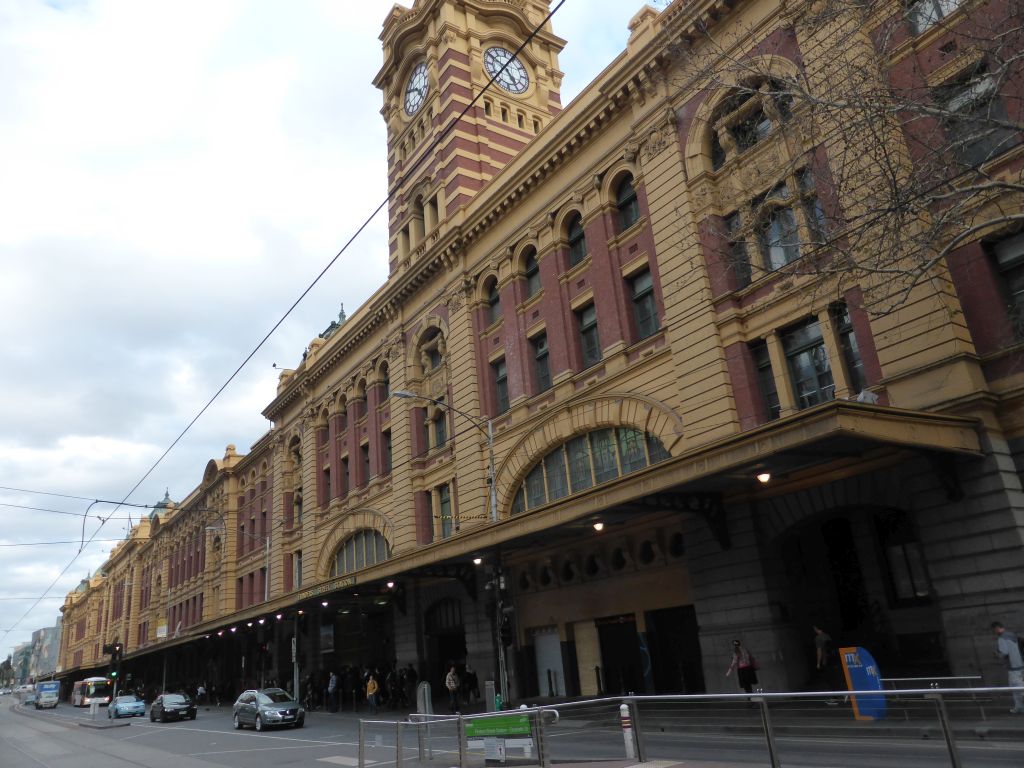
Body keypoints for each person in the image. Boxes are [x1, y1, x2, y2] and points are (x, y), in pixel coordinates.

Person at [991, 621, 1024, 714]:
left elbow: (1004, 652)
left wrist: (996, 654)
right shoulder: (1012, 635)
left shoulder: (1002, 638)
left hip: (1014, 668)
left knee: (1017, 689)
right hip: (1021, 665)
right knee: (1017, 689)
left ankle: (1020, 708)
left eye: (993, 630)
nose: (994, 632)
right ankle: (1019, 707)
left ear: (996, 628)